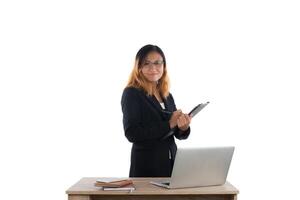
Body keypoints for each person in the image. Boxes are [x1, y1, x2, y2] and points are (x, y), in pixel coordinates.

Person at [121, 44, 192, 177]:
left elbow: (175, 132)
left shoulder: (167, 95)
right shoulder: (132, 93)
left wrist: (183, 127)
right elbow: (132, 133)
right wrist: (169, 124)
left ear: (164, 66)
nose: (153, 68)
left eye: (157, 63)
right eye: (146, 63)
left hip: (172, 166)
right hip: (147, 168)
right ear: (139, 67)